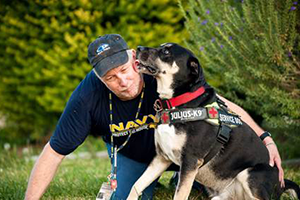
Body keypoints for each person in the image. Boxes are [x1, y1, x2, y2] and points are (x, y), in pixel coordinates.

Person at [25, 34, 284, 200]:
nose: (123, 81)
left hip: (186, 151)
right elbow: (54, 151)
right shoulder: (86, 98)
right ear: (98, 78)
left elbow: (221, 105)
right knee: (125, 195)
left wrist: (266, 139)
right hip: (136, 153)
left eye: (125, 69)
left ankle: (183, 179)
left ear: (133, 59)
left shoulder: (161, 73)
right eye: (110, 77)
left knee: (201, 173)